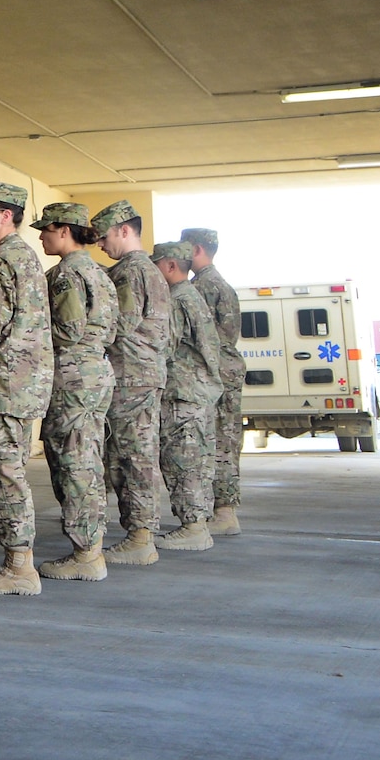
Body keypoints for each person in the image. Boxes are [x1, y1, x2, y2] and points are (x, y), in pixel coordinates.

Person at [0, 183, 53, 596]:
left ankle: (19, 564)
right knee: (0, 469)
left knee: (4, 472)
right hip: (19, 384)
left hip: (4, 383)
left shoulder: (5, 259)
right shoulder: (24, 257)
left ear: (6, 215)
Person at [33, 203, 117, 583]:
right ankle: (91, 547)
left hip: (72, 375)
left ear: (64, 230)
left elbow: (67, 329)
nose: (41, 236)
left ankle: (87, 554)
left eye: (46, 230)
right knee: (87, 460)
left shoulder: (66, 274)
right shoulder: (99, 274)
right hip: (95, 371)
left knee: (73, 463)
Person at [95, 200, 170, 567]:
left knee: (133, 457)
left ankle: (141, 536)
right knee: (135, 454)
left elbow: (117, 325)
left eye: (105, 236)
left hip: (131, 377)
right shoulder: (149, 271)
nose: (100, 244)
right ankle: (140, 533)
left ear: (124, 230)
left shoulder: (130, 272)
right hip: (143, 374)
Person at [152, 240, 222, 551]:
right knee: (198, 460)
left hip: (183, 393)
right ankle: (198, 523)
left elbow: (164, 347)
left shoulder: (177, 301)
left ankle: (193, 527)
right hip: (198, 391)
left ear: (170, 266)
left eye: (157, 265)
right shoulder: (191, 297)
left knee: (184, 460)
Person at [182, 228, 246, 536]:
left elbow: (206, 337)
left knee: (219, 442)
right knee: (224, 440)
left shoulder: (204, 286)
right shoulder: (218, 284)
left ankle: (223, 511)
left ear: (195, 249)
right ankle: (222, 509)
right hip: (224, 370)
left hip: (215, 373)